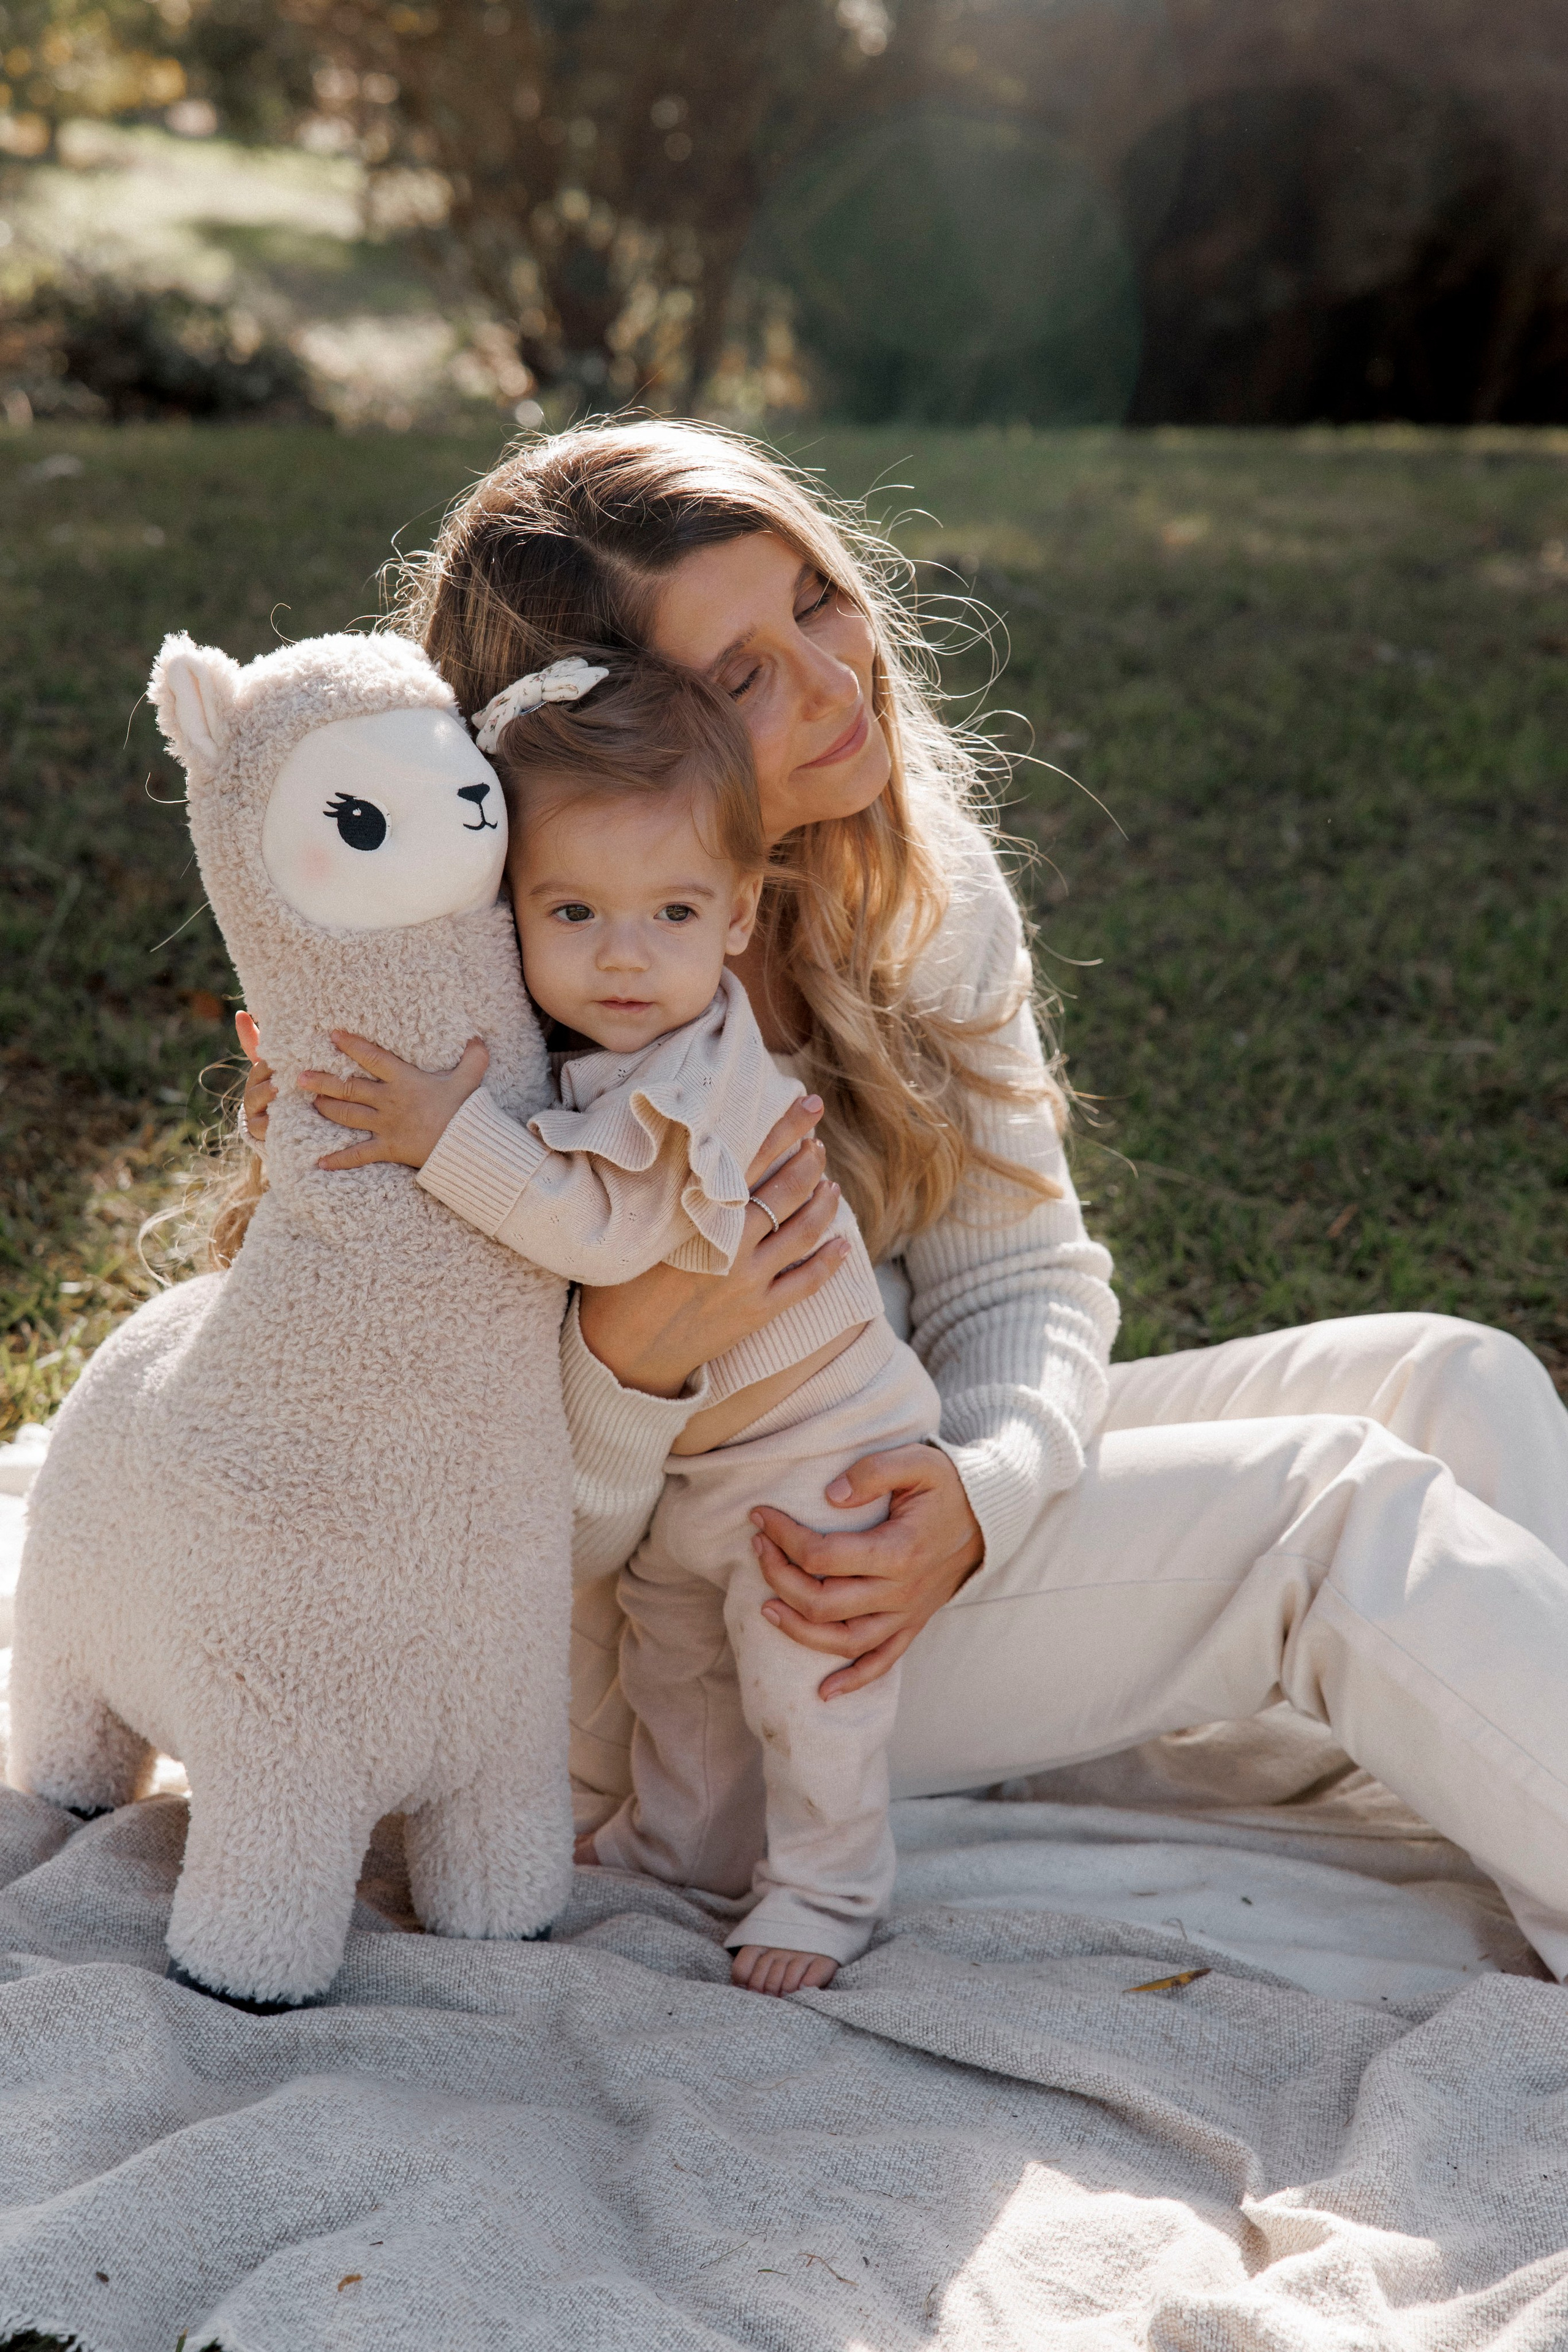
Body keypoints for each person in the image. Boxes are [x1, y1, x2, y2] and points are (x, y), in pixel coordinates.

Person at [241, 418, 1568, 1984]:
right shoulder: (490, 1027)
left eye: (815, 598)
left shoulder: (896, 885)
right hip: (696, 1658)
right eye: (743, 675)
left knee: (1452, 1381)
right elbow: (479, 1542)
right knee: (1332, 1513)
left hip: (862, 1491)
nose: (833, 677)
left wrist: (980, 1492)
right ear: (613, 736)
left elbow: (1023, 1277)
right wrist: (635, 1355)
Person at [296, 646, 943, 1995]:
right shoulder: (608, 1053)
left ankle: (828, 1889)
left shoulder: (692, 1076)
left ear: (738, 915)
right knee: (679, 1671)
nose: (624, 955)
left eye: (671, 911)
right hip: (705, 1462)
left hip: (821, 1447)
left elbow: (604, 1233)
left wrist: (445, 1138)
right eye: (575, 911)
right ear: (510, 912)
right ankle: (677, 1851)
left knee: (808, 1684)